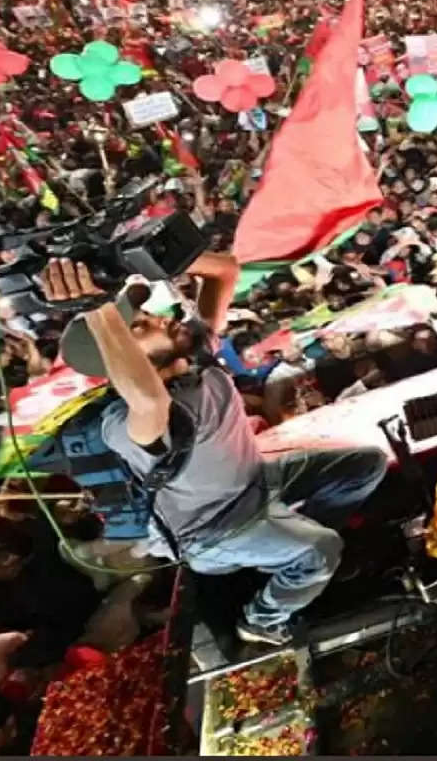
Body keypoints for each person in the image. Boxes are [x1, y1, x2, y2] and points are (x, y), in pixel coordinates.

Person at [42, 253, 389, 647]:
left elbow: (224, 271)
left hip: (257, 479)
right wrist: (98, 311)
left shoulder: (192, 358)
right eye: (141, 326)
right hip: (215, 529)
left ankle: (283, 550)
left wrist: (140, 251)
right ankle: (262, 619)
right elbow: (147, 399)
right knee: (320, 551)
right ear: (122, 358)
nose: (161, 318)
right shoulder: (127, 421)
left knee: (365, 466)